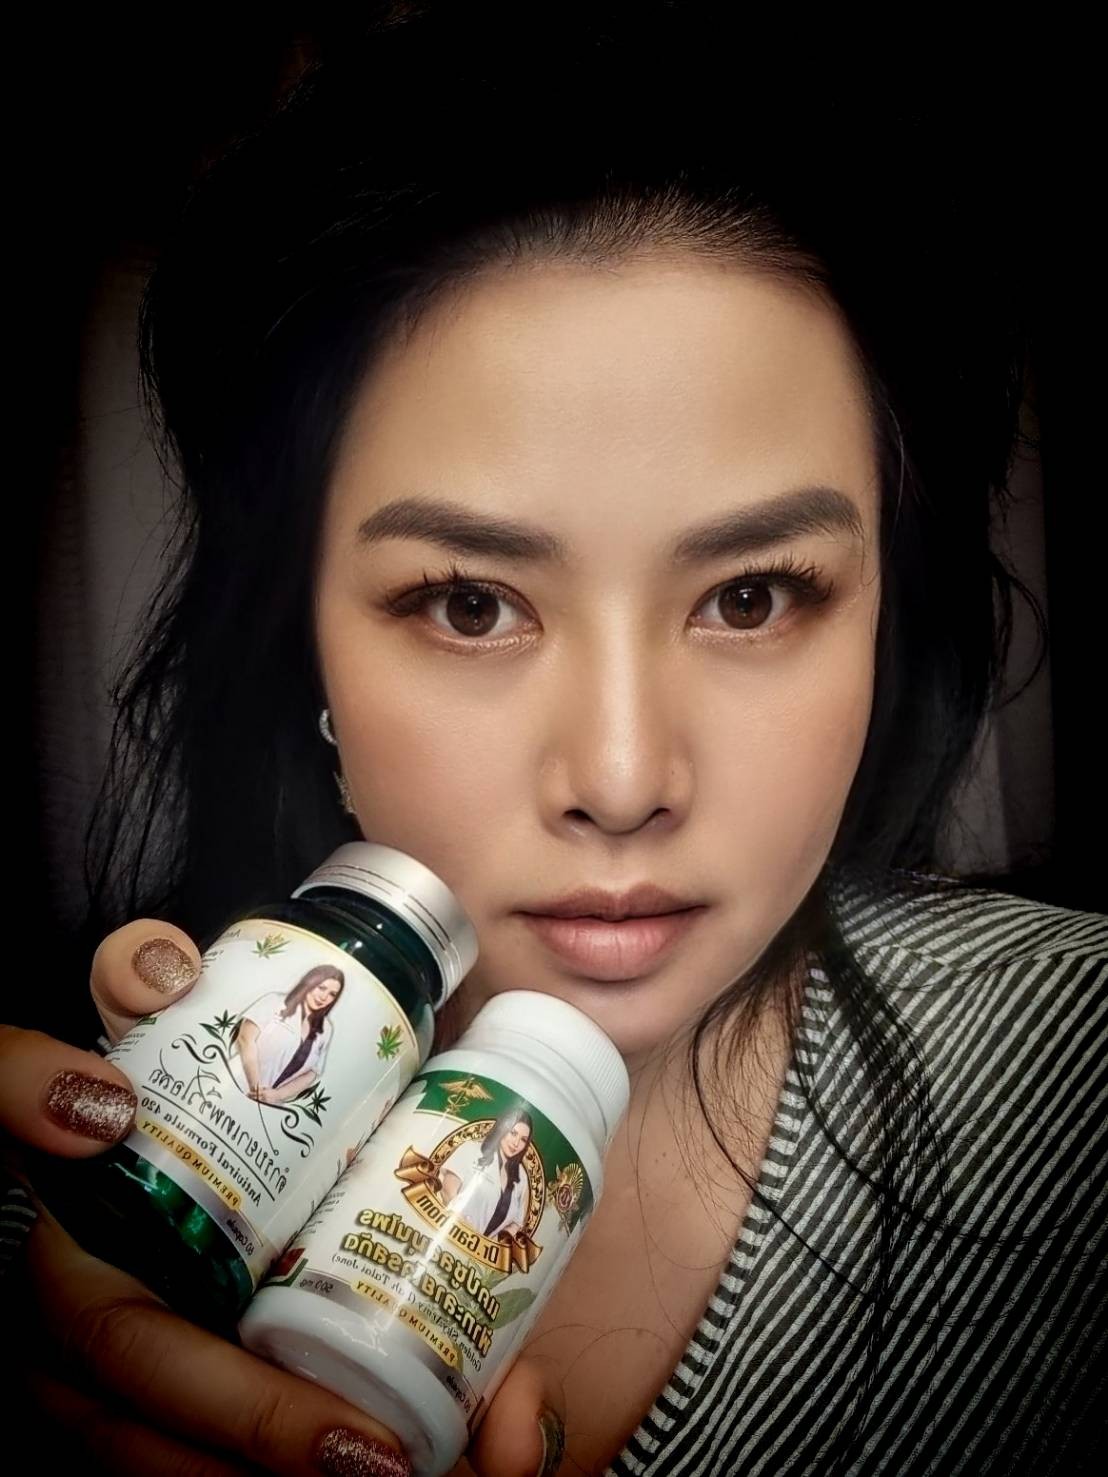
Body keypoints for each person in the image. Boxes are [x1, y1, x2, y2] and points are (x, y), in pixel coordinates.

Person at [1, 8, 1104, 1476]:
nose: (624, 782)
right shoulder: (77, 1226)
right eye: (471, 604)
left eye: (752, 596)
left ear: (885, 617)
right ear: (304, 643)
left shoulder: (1080, 1078)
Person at [230, 966, 344, 1104]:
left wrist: (278, 1095)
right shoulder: (275, 1001)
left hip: (269, 1103)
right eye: (321, 988)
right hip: (235, 1085)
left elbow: (312, 1072)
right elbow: (245, 1039)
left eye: (332, 994)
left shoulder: (326, 1029)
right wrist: (257, 1089)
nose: (324, 997)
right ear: (309, 982)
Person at [440, 1110, 534, 1239]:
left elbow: (516, 1223)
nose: (516, 1143)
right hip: (451, 1235)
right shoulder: (472, 1150)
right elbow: (447, 1190)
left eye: (523, 1140)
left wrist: (494, 1244)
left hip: (483, 1250)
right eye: (513, 1133)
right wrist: (466, 1230)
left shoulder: (521, 1177)